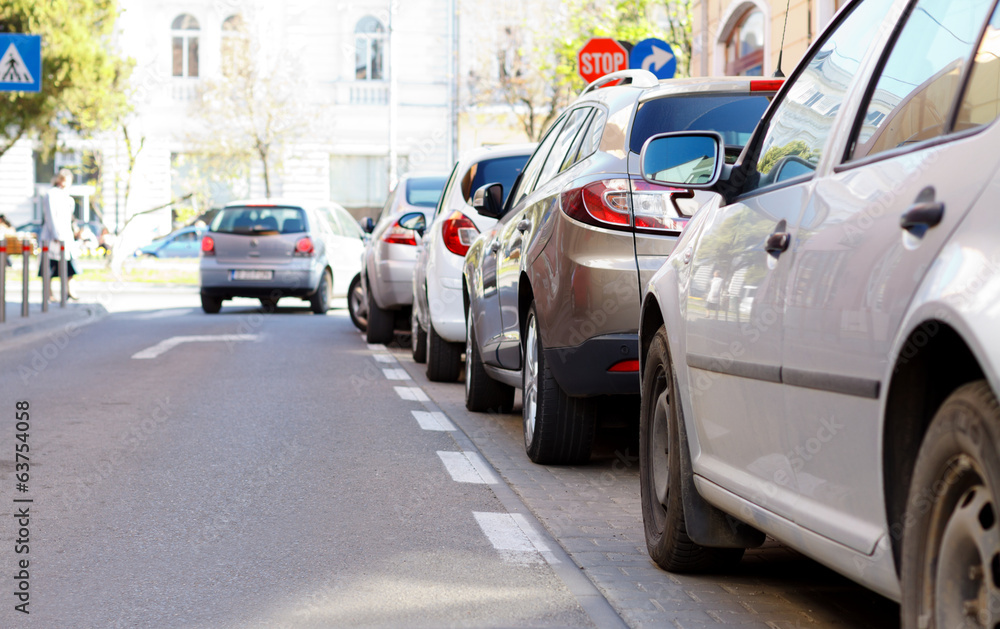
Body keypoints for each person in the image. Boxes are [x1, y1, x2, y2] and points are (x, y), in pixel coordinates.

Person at [39, 169, 79, 300]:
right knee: (49, 266)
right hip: (52, 237)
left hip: (66, 236)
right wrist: (56, 235)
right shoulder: (51, 194)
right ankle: (48, 293)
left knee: (69, 265)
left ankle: (69, 290)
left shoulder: (68, 197)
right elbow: (50, 217)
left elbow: (69, 218)